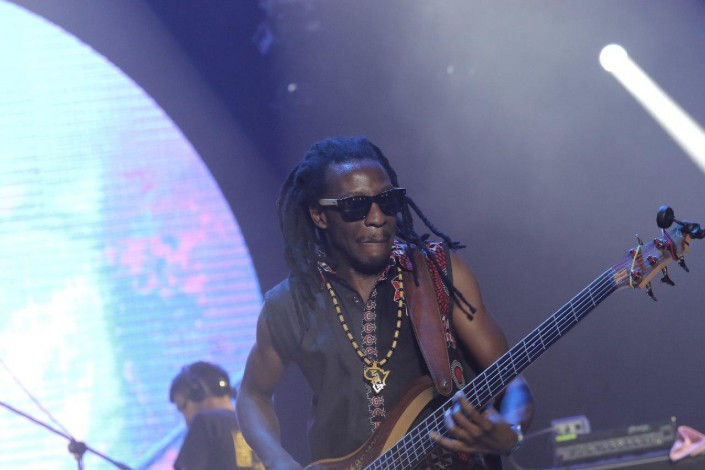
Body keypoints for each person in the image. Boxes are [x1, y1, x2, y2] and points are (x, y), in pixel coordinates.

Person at [236, 136, 534, 469]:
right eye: (356, 205)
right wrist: (277, 459)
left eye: (388, 201)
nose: (377, 217)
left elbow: (510, 379)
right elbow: (252, 394)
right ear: (320, 215)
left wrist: (511, 431)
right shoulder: (290, 303)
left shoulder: (438, 273)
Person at [169, 361, 264, 470]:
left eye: (183, 407)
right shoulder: (261, 426)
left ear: (197, 393)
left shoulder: (205, 422)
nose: (186, 418)